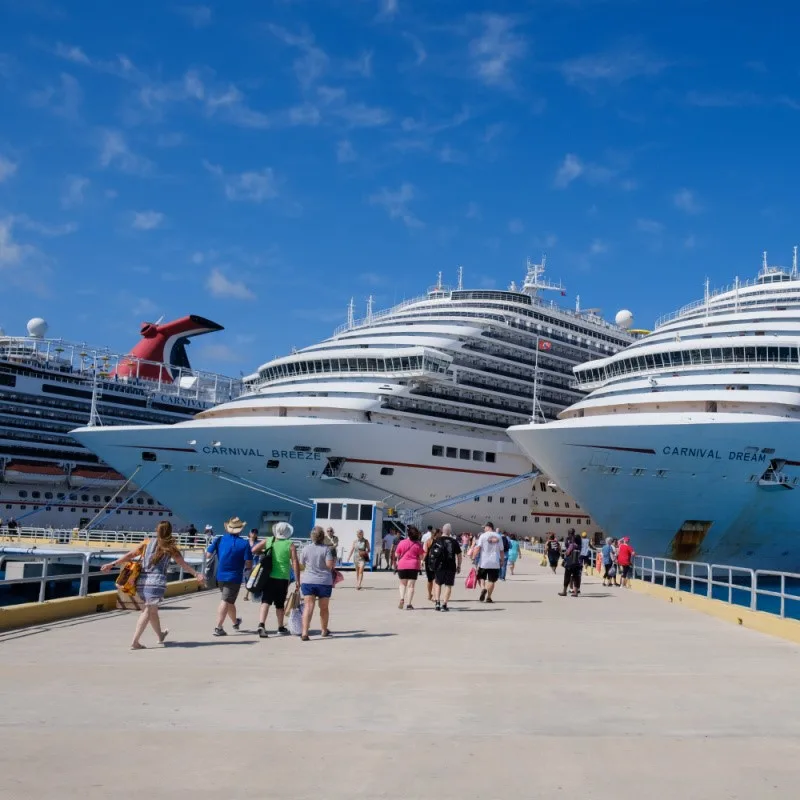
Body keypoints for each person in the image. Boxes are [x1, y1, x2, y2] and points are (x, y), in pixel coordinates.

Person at [101, 521, 205, 649]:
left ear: (157, 530)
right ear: (170, 531)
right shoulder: (170, 547)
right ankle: (135, 642)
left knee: (152, 611)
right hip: (156, 583)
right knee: (148, 611)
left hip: (142, 582)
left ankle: (160, 636)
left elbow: (130, 555)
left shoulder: (147, 543)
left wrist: (112, 564)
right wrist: (196, 574)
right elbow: (183, 564)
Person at [253, 522, 301, 638]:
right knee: (280, 604)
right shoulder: (290, 544)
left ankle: (261, 624)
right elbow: (295, 562)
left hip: (268, 576)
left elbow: (254, 550)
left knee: (265, 601)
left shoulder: (269, 540)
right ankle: (280, 627)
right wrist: (298, 580)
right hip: (283, 578)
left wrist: (263, 552)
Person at [207, 516, 253, 637]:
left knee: (229, 601)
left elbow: (208, 555)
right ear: (240, 530)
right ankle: (218, 627)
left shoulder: (219, 540)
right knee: (225, 600)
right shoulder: (244, 544)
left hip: (220, 575)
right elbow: (248, 563)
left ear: (227, 528)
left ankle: (235, 622)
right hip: (234, 577)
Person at [299, 526, 336, 640]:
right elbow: (330, 566)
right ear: (323, 537)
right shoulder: (326, 549)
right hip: (324, 581)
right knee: (324, 608)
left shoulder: (305, 548)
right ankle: (324, 630)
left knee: (308, 607)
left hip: (308, 580)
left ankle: (305, 632)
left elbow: (301, 565)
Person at [430, 523, 462, 611]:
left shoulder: (437, 540)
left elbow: (432, 553)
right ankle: (444, 604)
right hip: (451, 566)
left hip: (439, 565)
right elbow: (459, 555)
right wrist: (459, 566)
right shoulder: (454, 541)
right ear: (449, 531)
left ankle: (437, 603)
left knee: (438, 583)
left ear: (442, 531)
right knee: (448, 585)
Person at [472, 522, 505, 603]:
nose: (484, 529)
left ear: (489, 527)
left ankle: (483, 588)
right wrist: (502, 560)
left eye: (485, 527)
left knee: (481, 577)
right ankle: (489, 597)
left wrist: (473, 557)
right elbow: (501, 550)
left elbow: (478, 548)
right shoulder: (498, 536)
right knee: (492, 580)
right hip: (494, 562)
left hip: (484, 562)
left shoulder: (483, 535)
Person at [394, 525, 424, 610]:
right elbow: (421, 557)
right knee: (411, 586)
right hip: (413, 566)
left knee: (403, 583)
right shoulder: (418, 544)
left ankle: (402, 599)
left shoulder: (402, 542)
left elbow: (397, 554)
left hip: (402, 565)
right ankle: (409, 604)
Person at [559, 530, 582, 597]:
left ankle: (564, 592)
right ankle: (575, 593)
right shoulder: (580, 546)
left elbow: (567, 553)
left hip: (570, 563)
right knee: (576, 578)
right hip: (577, 563)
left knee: (567, 577)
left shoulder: (572, 545)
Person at [423, 528, 441, 601]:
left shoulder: (428, 541)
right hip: (437, 562)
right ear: (436, 534)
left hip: (428, 562)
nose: (441, 534)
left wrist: (422, 561)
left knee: (430, 579)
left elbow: (425, 552)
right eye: (440, 533)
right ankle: (433, 596)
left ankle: (430, 594)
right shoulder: (440, 541)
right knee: (435, 579)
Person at [243, 528, 261, 602]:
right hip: (246, 562)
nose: (254, 533)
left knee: (252, 578)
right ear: (249, 533)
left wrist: (258, 553)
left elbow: (262, 552)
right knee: (246, 578)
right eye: (252, 532)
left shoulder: (258, 543)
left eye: (255, 532)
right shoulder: (245, 542)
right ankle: (249, 592)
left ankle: (246, 594)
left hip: (255, 562)